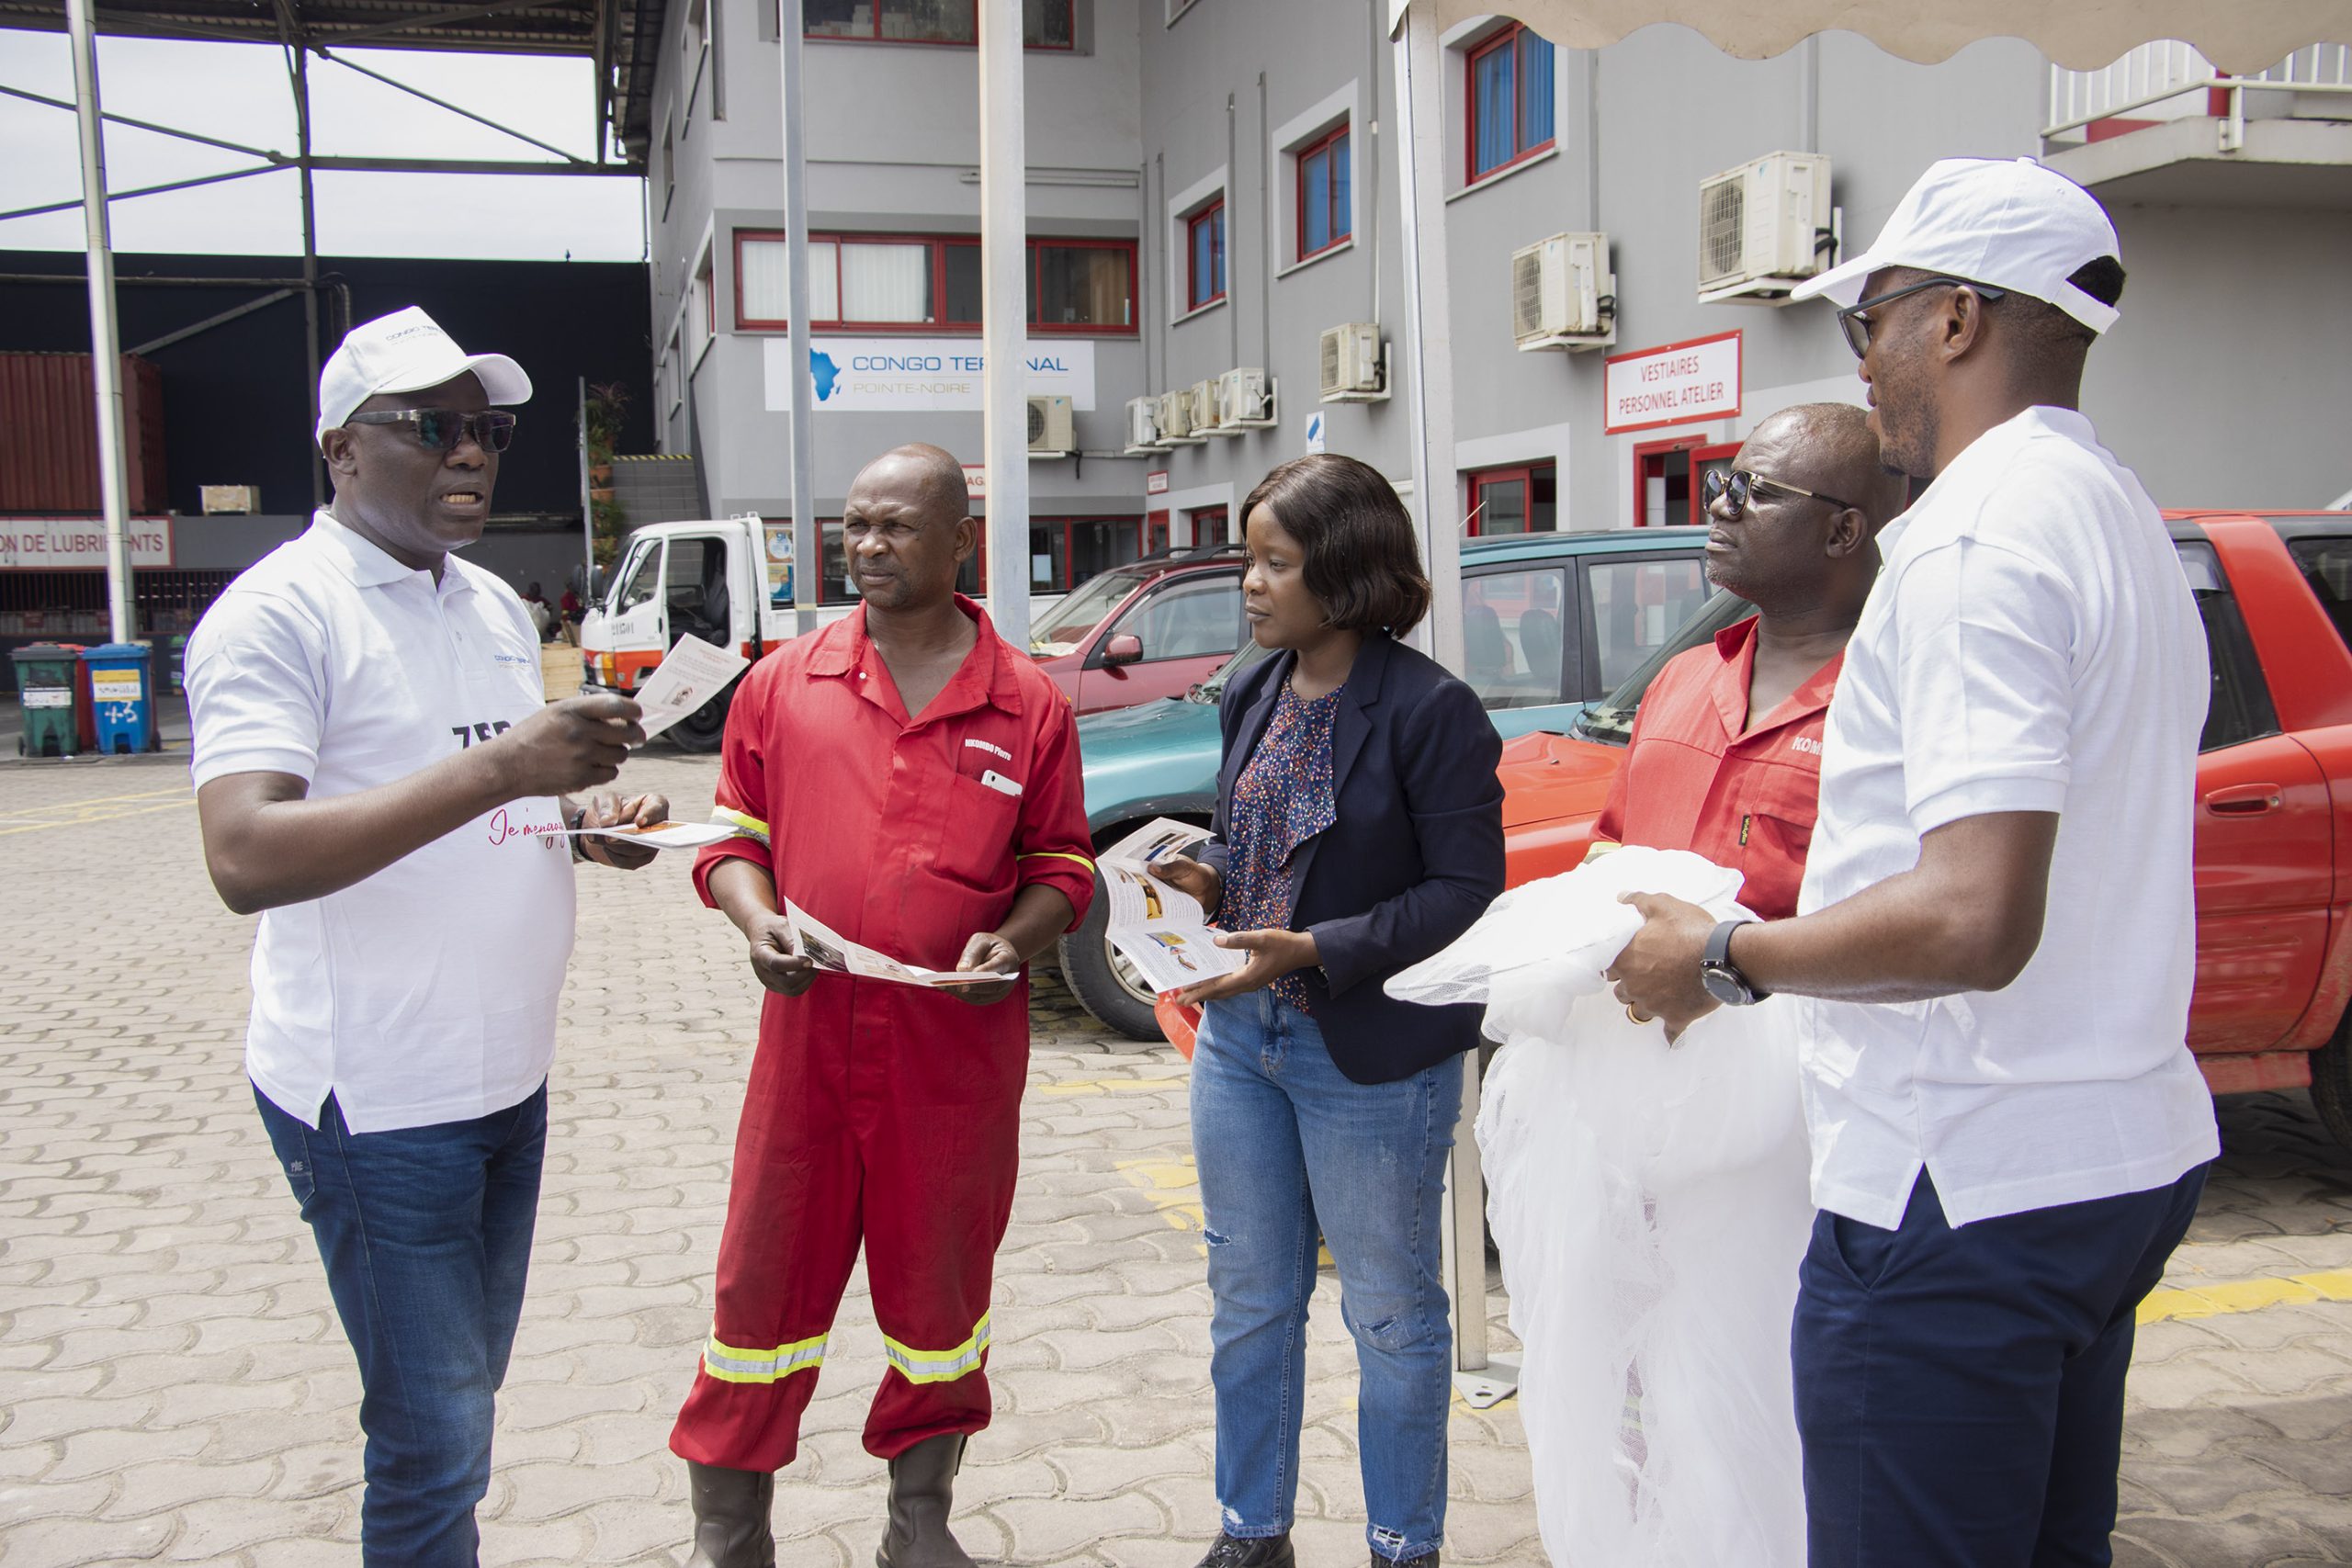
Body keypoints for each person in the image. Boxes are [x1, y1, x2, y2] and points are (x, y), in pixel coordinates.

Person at [1611, 157, 2217, 1565]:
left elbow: (1971, 915)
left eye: (1867, 318)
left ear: (1954, 321)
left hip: (1962, 1171)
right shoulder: (2117, 512)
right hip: (2106, 1146)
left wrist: (1717, 959)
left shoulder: (1968, 545)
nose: (1864, 361)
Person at [185, 306, 669, 1568]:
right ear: (342, 448)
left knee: (462, 1401)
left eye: (487, 429)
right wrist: (513, 767)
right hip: (380, 1098)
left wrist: (585, 822)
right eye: (433, 428)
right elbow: (244, 855)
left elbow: (495, 797)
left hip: (507, 1075)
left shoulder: (496, 605)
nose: (472, 453)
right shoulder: (278, 613)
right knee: (430, 1435)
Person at [671, 443, 1095, 1568]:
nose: (867, 547)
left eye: (897, 527)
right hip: (806, 1043)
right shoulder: (784, 681)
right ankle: (731, 1537)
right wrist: (756, 920)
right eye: (855, 526)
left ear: (962, 540)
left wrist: (1014, 940)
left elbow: (1064, 865)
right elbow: (732, 839)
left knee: (941, 1289)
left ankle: (918, 1527)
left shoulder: (1027, 704)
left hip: (950, 1060)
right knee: (762, 1281)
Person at [1150, 454, 1506, 1568]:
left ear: (1344, 574)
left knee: (1390, 1312)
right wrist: (1206, 873)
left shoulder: (1431, 709)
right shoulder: (1254, 686)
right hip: (1238, 1043)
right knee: (1249, 1298)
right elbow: (1257, 834)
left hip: (1365, 1056)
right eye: (1249, 560)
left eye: (1275, 563)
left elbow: (1465, 893)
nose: (1249, 584)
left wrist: (1315, 950)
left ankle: (1405, 1544)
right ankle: (1251, 1533)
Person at [1591, 402, 1909, 919]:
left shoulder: (1892, 700)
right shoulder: (1680, 677)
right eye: (1723, 485)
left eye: (1755, 493)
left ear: (1842, 533)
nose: (1720, 507)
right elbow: (1610, 842)